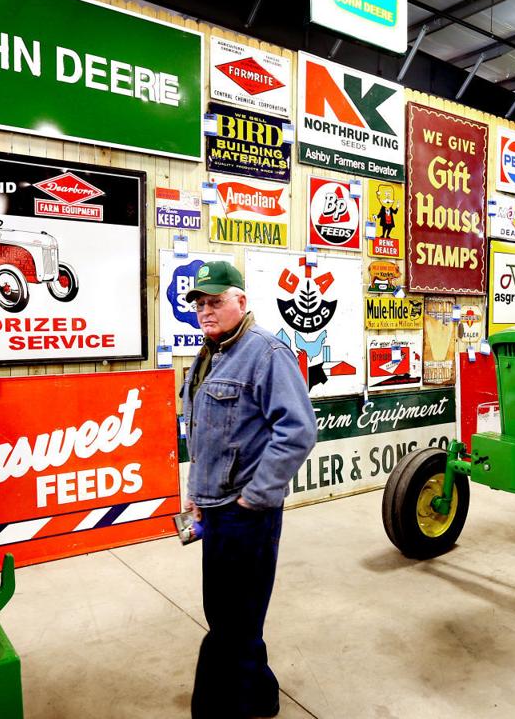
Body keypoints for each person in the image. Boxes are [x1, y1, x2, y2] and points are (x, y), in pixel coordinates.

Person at [181, 261, 316, 719]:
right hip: (215, 509)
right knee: (234, 616)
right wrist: (194, 493)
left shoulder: (265, 353)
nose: (206, 310)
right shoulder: (209, 353)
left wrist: (254, 497)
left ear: (241, 300)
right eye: (200, 303)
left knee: (229, 624)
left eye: (215, 301)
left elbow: (297, 431)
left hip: (246, 514)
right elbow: (204, 433)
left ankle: (216, 708)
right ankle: (261, 697)